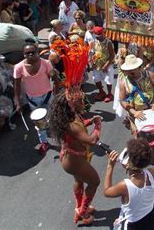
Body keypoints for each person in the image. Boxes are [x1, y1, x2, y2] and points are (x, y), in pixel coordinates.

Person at [49, 91, 102, 225]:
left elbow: (80, 126)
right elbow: (92, 140)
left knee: (79, 181)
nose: (83, 103)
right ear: (71, 105)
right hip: (74, 160)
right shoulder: (71, 125)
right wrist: (98, 125)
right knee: (95, 182)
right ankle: (83, 212)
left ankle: (79, 207)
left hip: (73, 158)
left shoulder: (71, 116)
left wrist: (89, 121)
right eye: (80, 101)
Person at [13, 43, 59, 155]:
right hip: (33, 100)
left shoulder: (46, 64)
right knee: (40, 123)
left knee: (55, 117)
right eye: (27, 53)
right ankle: (44, 142)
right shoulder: (18, 67)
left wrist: (56, 93)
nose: (30, 55)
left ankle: (61, 138)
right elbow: (16, 85)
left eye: (32, 52)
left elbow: (55, 77)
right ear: (23, 55)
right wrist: (18, 102)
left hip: (48, 96)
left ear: (37, 52)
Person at [103, 138, 154, 230]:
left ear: (128, 164)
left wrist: (110, 166)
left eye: (126, 154)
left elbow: (106, 192)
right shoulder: (150, 172)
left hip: (134, 226)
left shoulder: (124, 186)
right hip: (151, 218)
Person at [118, 54, 154, 134]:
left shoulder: (149, 75)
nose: (130, 72)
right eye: (128, 70)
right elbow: (122, 100)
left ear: (138, 67)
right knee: (139, 137)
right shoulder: (123, 83)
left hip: (153, 111)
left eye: (132, 69)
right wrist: (134, 112)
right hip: (136, 114)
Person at [91, 27, 115, 103]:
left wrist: (106, 65)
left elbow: (112, 55)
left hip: (107, 64)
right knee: (96, 79)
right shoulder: (94, 41)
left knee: (108, 80)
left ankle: (109, 94)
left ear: (103, 34)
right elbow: (93, 53)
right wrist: (92, 62)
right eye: (96, 36)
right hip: (97, 64)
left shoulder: (109, 42)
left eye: (99, 36)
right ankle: (101, 92)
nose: (97, 38)